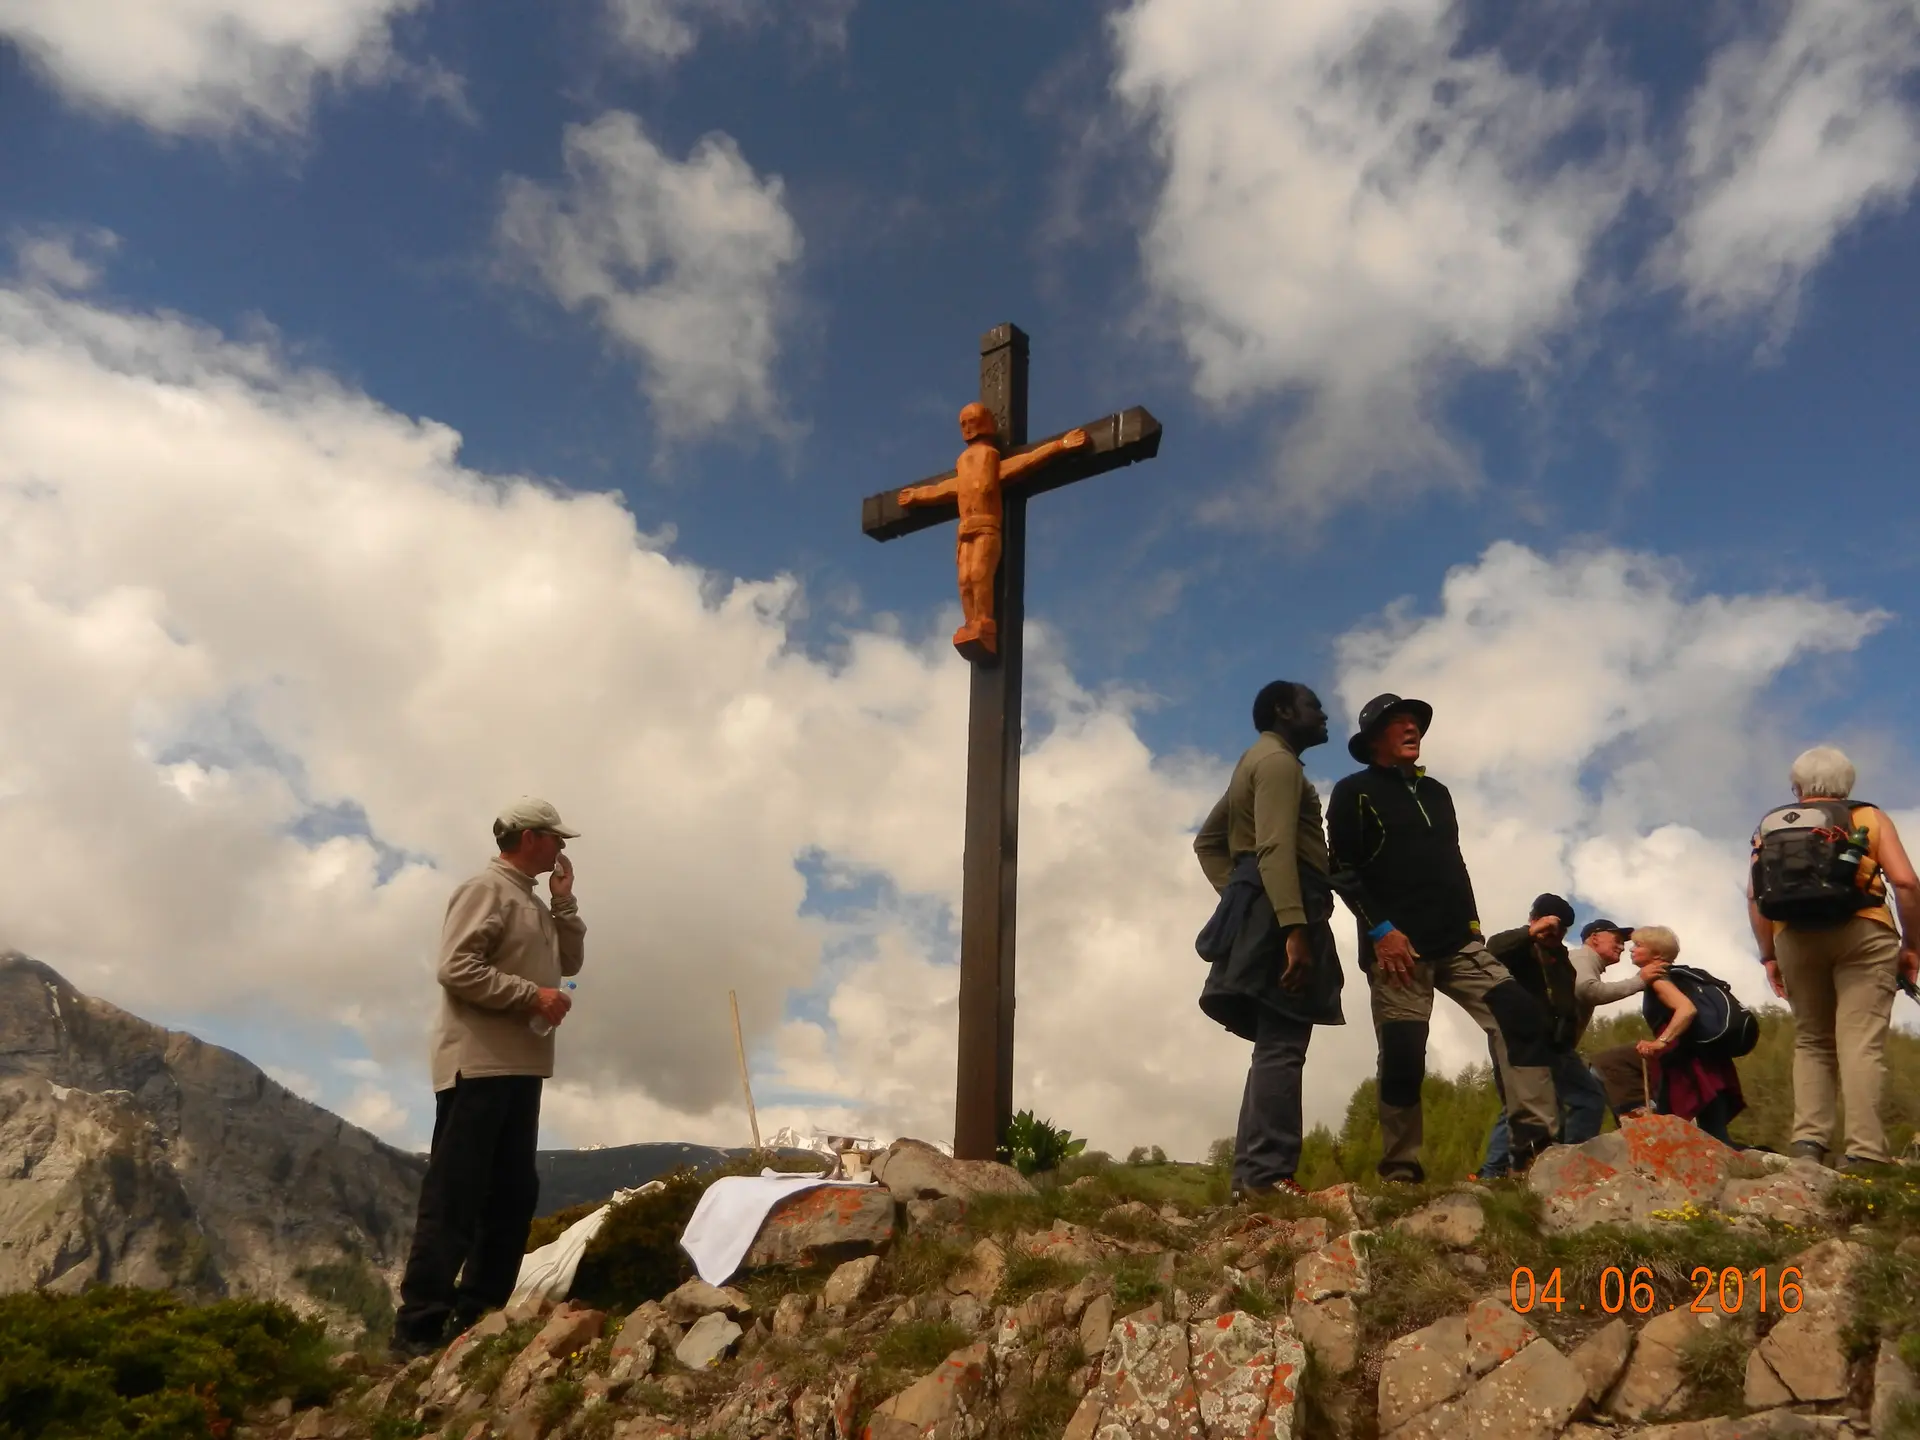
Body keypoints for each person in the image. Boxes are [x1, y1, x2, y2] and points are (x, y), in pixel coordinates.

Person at [1327, 694, 1559, 1182]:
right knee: (1405, 1055)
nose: (1413, 729)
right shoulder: (1354, 792)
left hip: (1458, 944)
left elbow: (1455, 863)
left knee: (1520, 1016)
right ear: (1374, 739)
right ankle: (1401, 1170)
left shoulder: (1437, 793)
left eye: (1416, 723)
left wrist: (1473, 926)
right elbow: (1342, 870)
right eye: (1399, 724)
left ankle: (1535, 1151)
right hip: (1398, 951)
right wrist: (1380, 930)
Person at [392, 798, 587, 1357]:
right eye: (555, 839)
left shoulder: (534, 904)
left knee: (511, 1194)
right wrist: (532, 995)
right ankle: (418, 1327)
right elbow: (456, 968)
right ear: (530, 838)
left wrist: (565, 901)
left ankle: (478, 1315)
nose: (560, 848)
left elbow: (569, 965)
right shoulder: (486, 890)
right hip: (477, 1063)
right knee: (456, 1193)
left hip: (522, 1064)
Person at [1194, 681, 1346, 1198]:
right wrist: (1292, 926)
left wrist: (1240, 893)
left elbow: (1209, 843)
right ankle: (1268, 1176)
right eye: (1313, 707)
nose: (1324, 714)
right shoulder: (1278, 765)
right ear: (1284, 711)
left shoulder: (1252, 762)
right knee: (1284, 1043)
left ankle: (1251, 1178)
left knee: (1272, 1046)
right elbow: (1277, 847)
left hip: (1266, 908)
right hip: (1287, 911)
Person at [1748, 746, 1920, 1171]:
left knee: (1812, 1041)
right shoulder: (1868, 817)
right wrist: (1912, 946)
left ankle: (1809, 1144)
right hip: (1864, 929)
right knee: (1860, 1044)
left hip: (1794, 936)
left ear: (1797, 786)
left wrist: (1769, 955)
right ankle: (1864, 1152)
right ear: (1847, 786)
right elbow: (1906, 883)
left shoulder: (1770, 826)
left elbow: (1755, 894)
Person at [897, 403, 1088, 658]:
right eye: (962, 423)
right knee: (964, 581)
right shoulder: (962, 468)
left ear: (986, 423)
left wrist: (1059, 445)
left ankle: (984, 623)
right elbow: (941, 489)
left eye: (972, 421)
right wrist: (916, 496)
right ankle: (970, 624)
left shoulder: (992, 459)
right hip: (965, 531)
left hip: (987, 526)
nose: (967, 428)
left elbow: (1025, 461)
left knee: (978, 573)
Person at [1478, 895, 1607, 1177]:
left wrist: (1567, 1036)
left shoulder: (1563, 961)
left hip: (1557, 1045)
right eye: (1549, 924)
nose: (1555, 933)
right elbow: (1491, 948)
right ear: (1534, 918)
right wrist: (1530, 933)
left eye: (1561, 929)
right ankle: (1494, 1173)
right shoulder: (1514, 949)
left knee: (1589, 1098)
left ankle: (1562, 1164)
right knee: (1519, 1104)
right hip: (1518, 1037)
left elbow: (1567, 1004)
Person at [1633, 926, 1744, 1144]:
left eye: (1638, 945)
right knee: (1715, 1130)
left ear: (1657, 953)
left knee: (1679, 1131)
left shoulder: (1660, 979)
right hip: (1709, 1058)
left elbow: (1686, 1009)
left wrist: (1660, 1042)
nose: (1632, 949)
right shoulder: (1683, 975)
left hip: (1687, 1064)